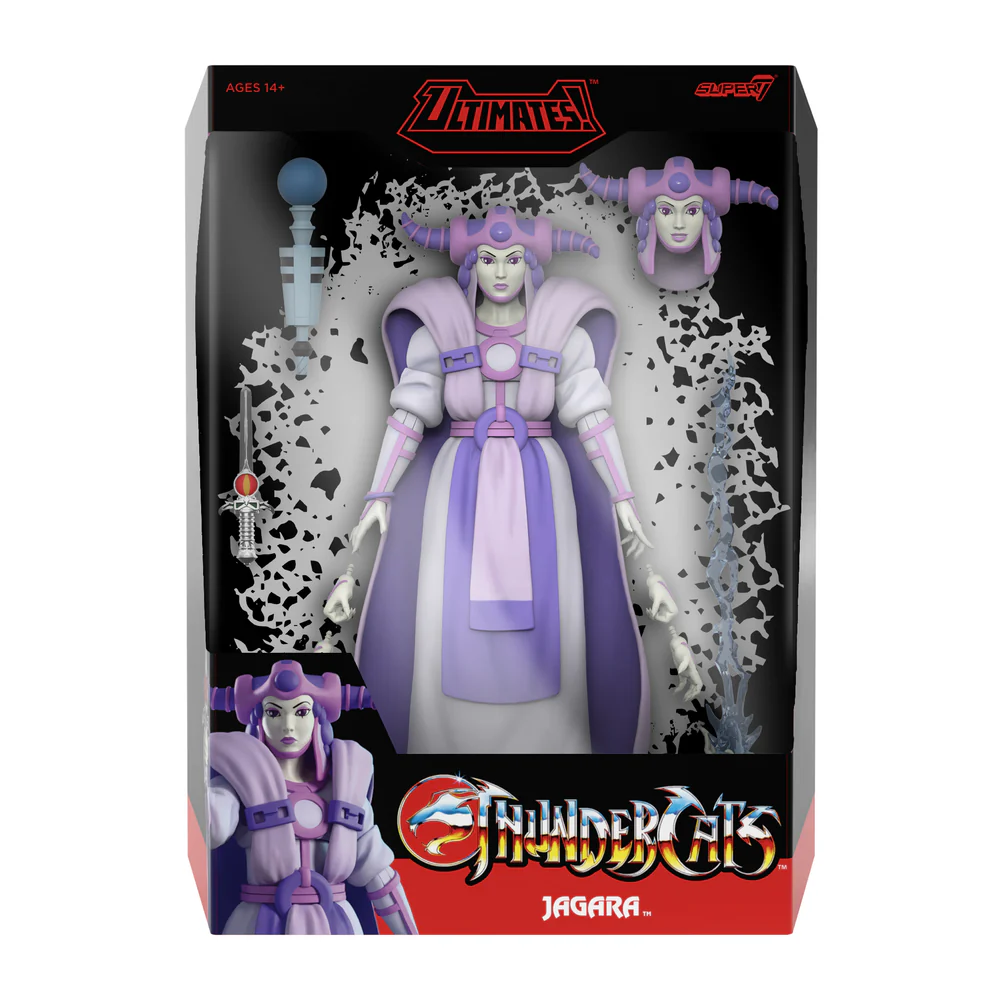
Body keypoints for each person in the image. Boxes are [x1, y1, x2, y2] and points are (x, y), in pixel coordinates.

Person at [208, 658, 417, 934]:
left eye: (301, 711)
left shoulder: (345, 786)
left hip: (337, 925)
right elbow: (209, 827)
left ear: (317, 717)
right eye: (274, 713)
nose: (288, 725)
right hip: (258, 925)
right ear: (259, 719)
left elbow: (380, 878)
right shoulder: (238, 783)